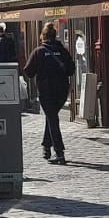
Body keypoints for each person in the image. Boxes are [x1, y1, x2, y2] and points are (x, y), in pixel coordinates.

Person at [23, 25, 75, 165]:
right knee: (51, 117)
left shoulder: (39, 52)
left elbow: (28, 72)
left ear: (43, 36)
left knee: (52, 119)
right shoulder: (62, 50)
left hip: (46, 91)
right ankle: (46, 147)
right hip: (62, 91)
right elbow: (71, 70)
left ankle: (59, 152)